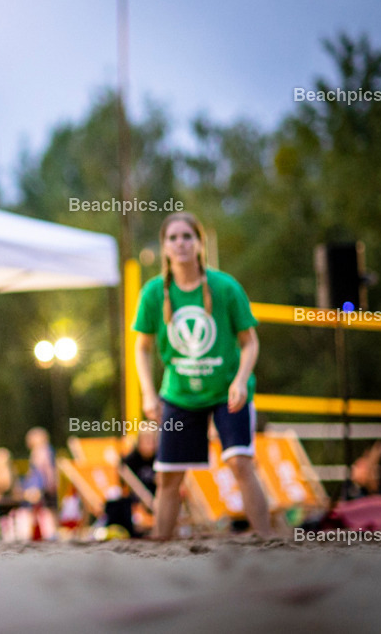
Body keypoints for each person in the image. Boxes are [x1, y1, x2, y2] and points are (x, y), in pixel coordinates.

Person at [133, 211, 274, 540]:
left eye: (187, 236)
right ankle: (158, 547)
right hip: (180, 394)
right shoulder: (154, 293)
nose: (180, 243)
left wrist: (240, 380)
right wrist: (148, 393)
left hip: (227, 391)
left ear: (199, 243)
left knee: (240, 462)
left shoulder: (225, 287)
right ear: (164, 247)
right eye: (173, 238)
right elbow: (142, 347)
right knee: (169, 477)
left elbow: (250, 341)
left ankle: (270, 542)